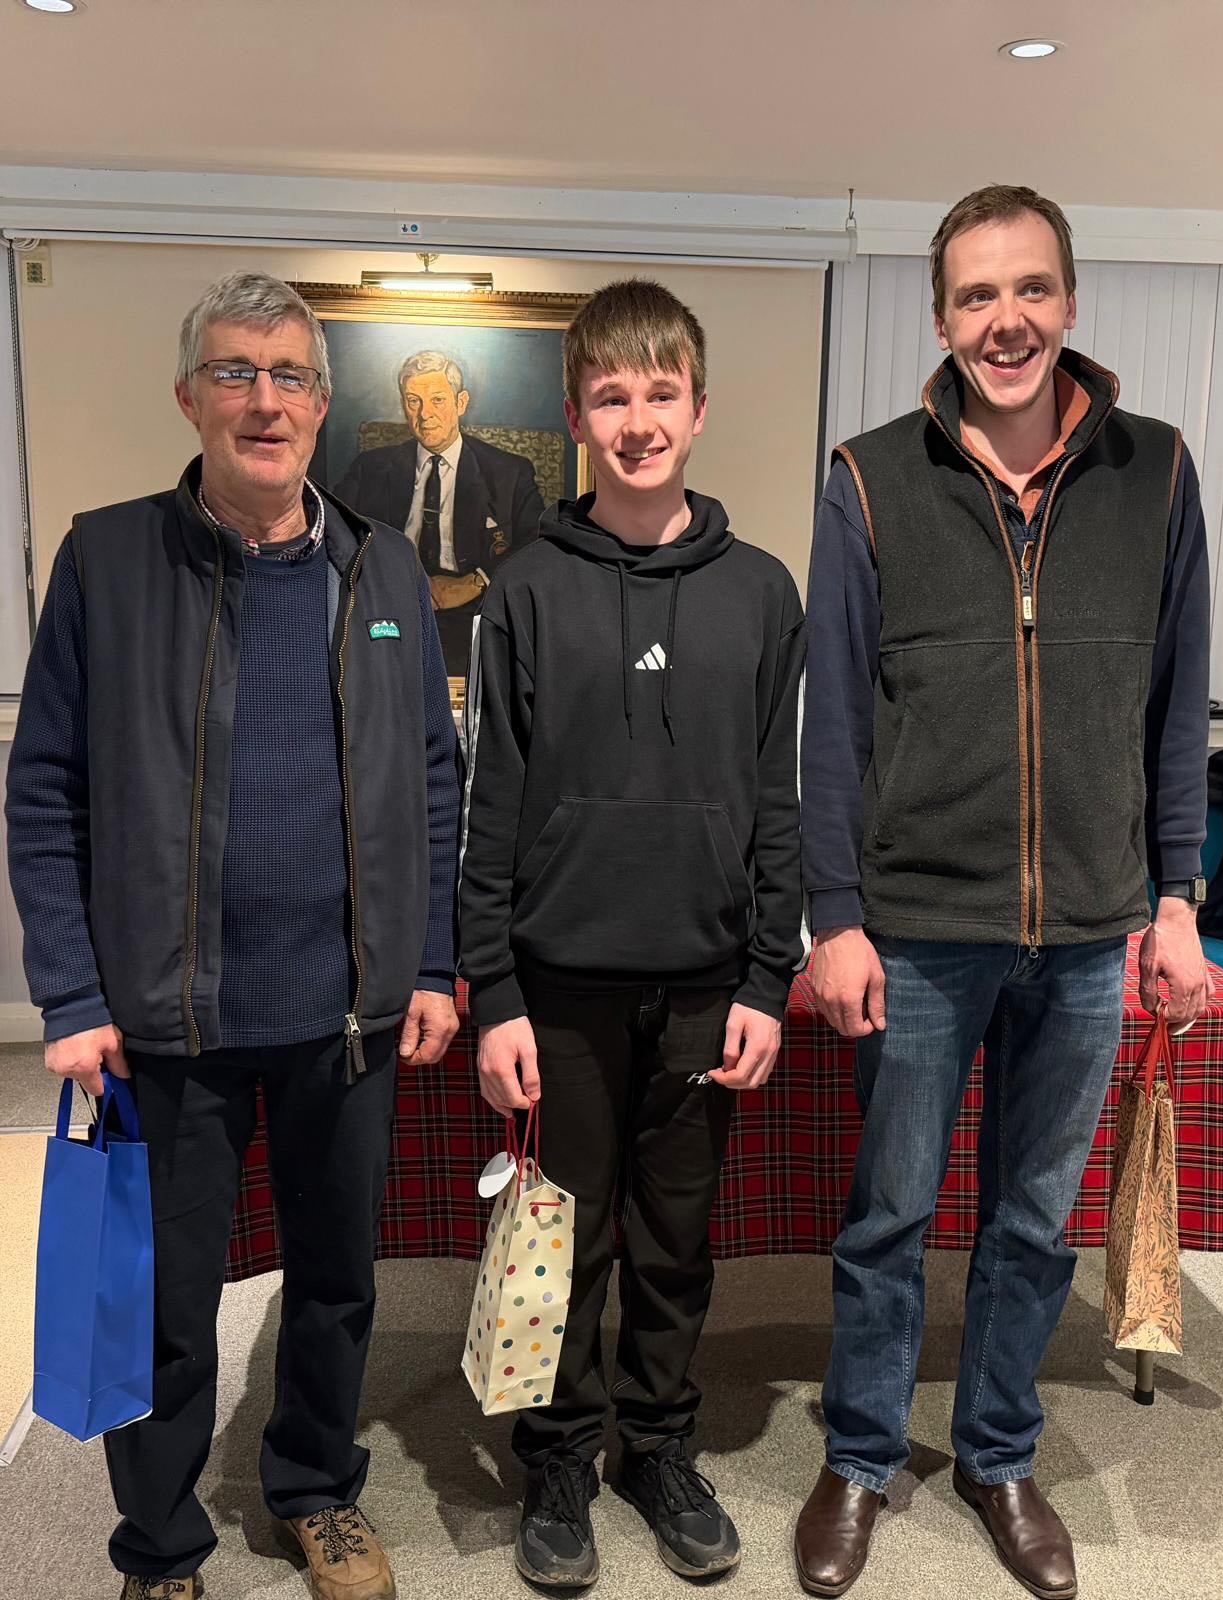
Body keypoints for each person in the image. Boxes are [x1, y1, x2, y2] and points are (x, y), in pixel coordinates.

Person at [5, 269, 461, 1600]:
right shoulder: (106, 558)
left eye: (289, 376)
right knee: (166, 1306)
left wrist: (430, 961)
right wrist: (71, 991)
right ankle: (161, 1547)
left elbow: (434, 782)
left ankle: (317, 1490)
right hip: (168, 1019)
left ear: (323, 404)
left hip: (346, 1014)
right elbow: (45, 788)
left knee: (335, 1285)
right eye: (234, 371)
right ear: (189, 395)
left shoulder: (379, 567)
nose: (263, 399)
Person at [793, 185, 1211, 1600]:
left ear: (1072, 303)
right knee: (889, 1219)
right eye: (977, 296)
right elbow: (835, 715)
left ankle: (997, 1453)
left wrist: (1177, 895)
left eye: (1029, 289)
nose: (1006, 319)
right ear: (941, 319)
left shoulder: (1156, 471)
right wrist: (832, 913)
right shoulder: (866, 477)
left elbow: (1174, 708)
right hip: (917, 926)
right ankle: (857, 1459)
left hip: (1095, 930)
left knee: (1035, 1219)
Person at [458, 279, 805, 1589]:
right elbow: (491, 799)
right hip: (561, 988)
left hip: (711, 985)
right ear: (577, 416)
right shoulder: (526, 590)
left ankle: (657, 1445)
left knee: (675, 1241)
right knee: (562, 1239)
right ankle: (559, 1458)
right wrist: (492, 990)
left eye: (663, 394)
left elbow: (777, 801)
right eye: (614, 395)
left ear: (700, 410)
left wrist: (769, 977)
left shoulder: (763, 595)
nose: (639, 419)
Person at [334, 349, 544, 674]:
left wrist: (476, 582)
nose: (425, 415)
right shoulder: (370, 469)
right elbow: (336, 534)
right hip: (387, 604)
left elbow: (536, 543)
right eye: (413, 400)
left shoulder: (508, 473)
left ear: (461, 403)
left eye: (437, 401)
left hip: (474, 607)